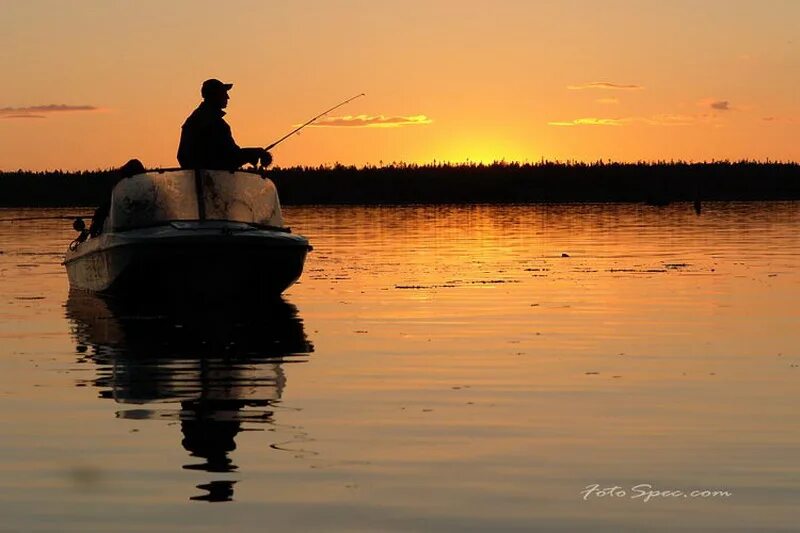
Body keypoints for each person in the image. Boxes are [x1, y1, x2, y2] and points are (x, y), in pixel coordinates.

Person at [177, 79, 272, 170]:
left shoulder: (194, 120)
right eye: (224, 93)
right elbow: (231, 157)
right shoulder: (215, 124)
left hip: (202, 179)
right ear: (214, 96)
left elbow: (183, 157)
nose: (227, 97)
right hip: (212, 180)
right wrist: (256, 153)